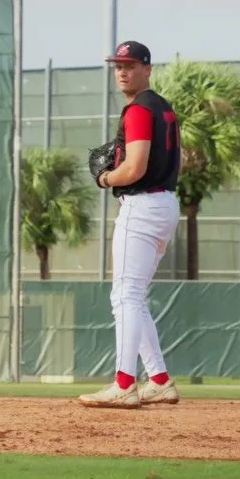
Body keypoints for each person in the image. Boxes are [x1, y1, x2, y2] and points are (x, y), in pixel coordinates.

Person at [78, 40, 182, 409]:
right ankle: (159, 379)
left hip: (142, 205)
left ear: (147, 69)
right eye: (118, 65)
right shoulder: (162, 107)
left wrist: (105, 178)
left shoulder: (138, 109)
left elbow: (134, 168)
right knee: (133, 296)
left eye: (130, 65)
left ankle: (124, 383)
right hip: (164, 203)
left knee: (125, 295)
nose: (122, 71)